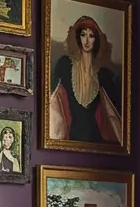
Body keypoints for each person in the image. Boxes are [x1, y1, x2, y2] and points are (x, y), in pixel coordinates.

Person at [49, 15, 122, 145]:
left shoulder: (103, 75)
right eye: (83, 35)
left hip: (95, 140)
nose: (87, 40)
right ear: (78, 38)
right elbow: (52, 98)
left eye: (91, 36)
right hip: (71, 136)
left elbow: (113, 115)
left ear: (96, 40)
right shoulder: (65, 65)